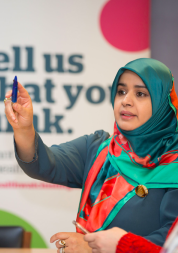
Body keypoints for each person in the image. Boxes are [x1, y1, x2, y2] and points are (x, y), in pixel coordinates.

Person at [4, 58, 178, 253]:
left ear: (163, 104)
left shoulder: (174, 166)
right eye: (121, 91)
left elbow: (171, 242)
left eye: (140, 93)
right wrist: (24, 129)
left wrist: (95, 247)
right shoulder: (98, 149)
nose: (126, 101)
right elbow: (43, 163)